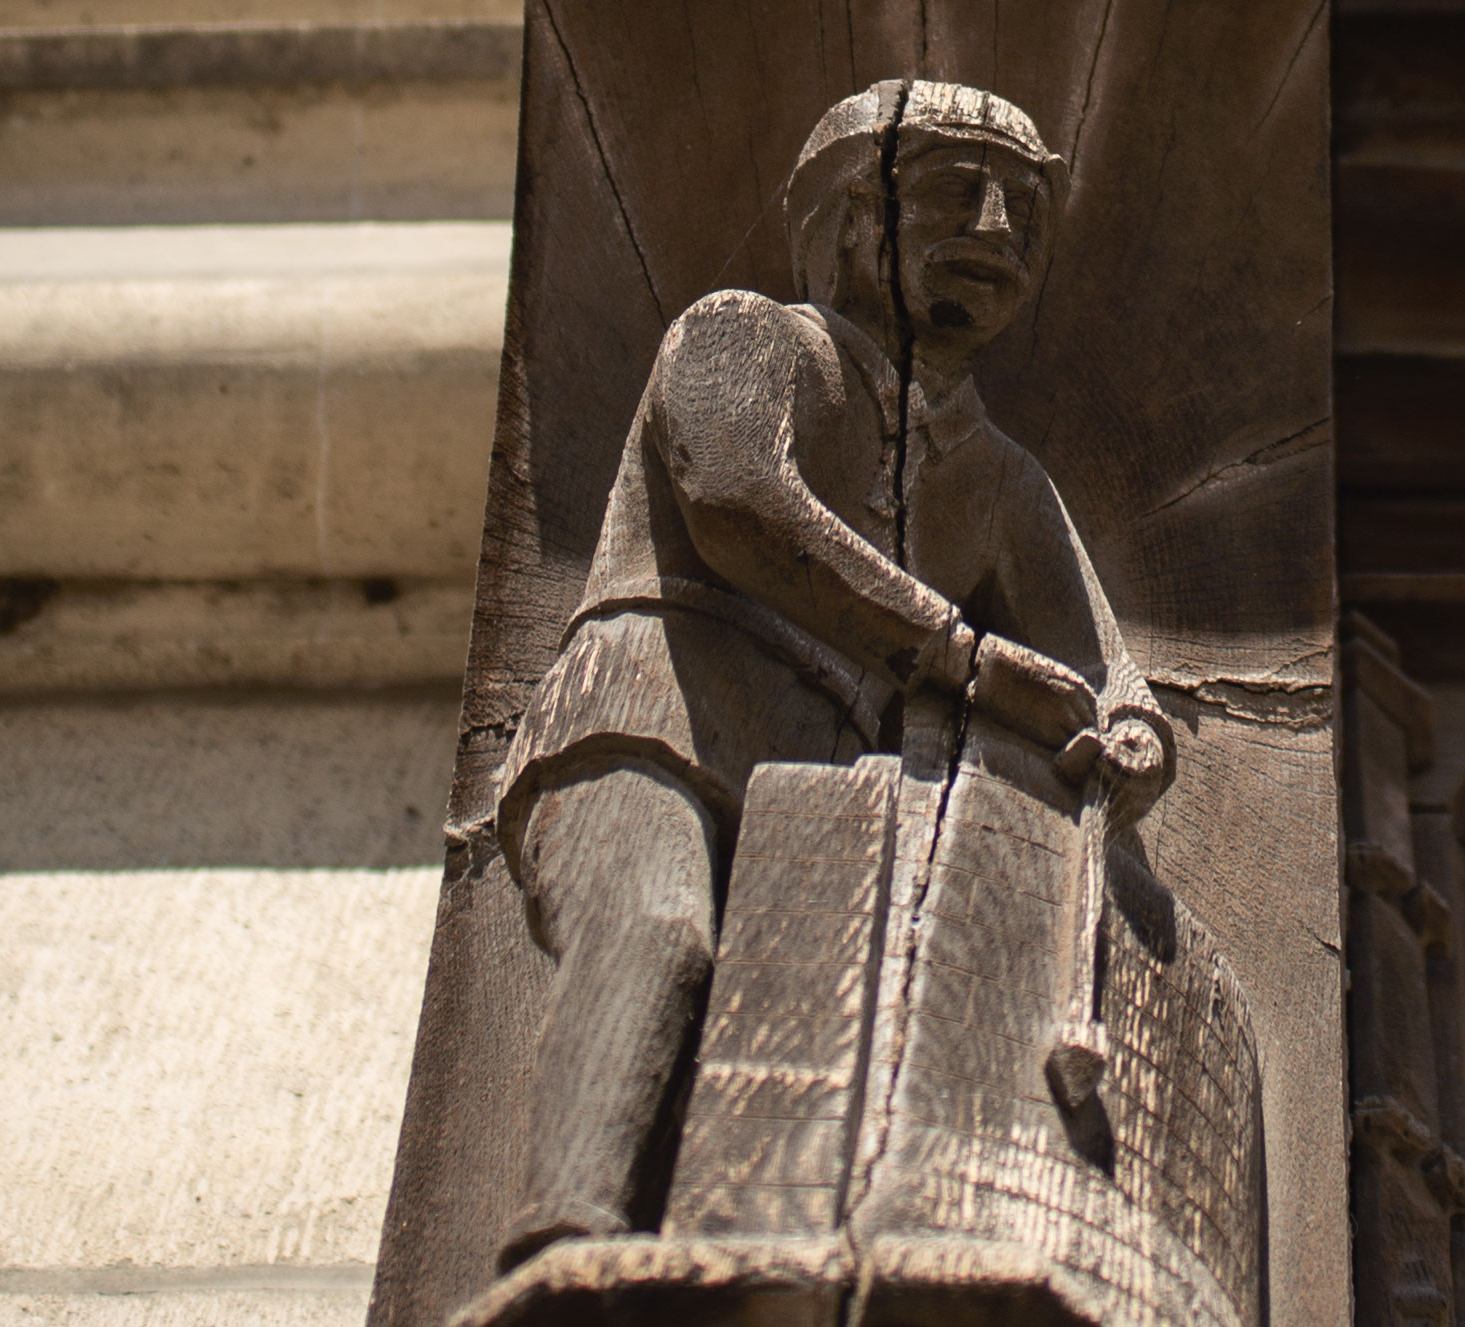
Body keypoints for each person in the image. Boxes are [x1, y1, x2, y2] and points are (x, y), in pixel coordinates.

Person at [489, 79, 1172, 1269]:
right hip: (657, 707)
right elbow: (739, 504)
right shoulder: (741, 334)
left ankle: (748, 1248)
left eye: (1024, 211)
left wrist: (1131, 737)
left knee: (801, 1008)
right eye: (958, 194)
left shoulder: (997, 476)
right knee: (658, 933)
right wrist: (964, 658)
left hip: (825, 795)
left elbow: (1102, 669)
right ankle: (563, 1246)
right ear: (857, 217)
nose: (1000, 235)